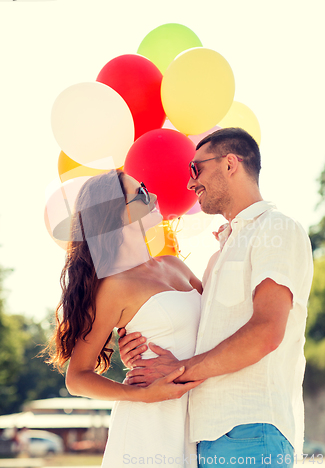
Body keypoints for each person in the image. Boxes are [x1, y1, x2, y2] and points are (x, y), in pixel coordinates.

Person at [119, 128, 314, 467]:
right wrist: (143, 343)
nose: (190, 183)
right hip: (207, 437)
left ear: (230, 164)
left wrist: (178, 369)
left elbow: (266, 332)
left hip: (251, 430)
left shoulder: (276, 228)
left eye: (196, 169)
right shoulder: (220, 253)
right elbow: (202, 334)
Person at [47, 169, 203, 467]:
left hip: (196, 420)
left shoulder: (174, 265)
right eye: (142, 193)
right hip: (147, 428)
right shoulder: (113, 288)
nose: (155, 197)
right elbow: (77, 378)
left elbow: (216, 321)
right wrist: (143, 396)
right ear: (117, 214)